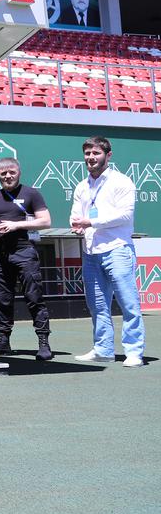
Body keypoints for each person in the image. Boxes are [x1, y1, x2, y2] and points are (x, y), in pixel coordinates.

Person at [69, 136, 146, 367]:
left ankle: (134, 352)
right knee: (98, 305)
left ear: (108, 155)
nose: (91, 158)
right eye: (87, 154)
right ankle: (103, 349)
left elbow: (125, 215)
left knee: (128, 303)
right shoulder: (82, 186)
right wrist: (76, 224)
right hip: (91, 252)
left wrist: (91, 223)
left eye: (96, 153)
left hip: (117, 250)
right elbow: (76, 213)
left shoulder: (122, 182)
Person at [0, 157, 53, 360]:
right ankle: (3, 342)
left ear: (18, 173)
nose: (7, 176)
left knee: (34, 297)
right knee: (3, 300)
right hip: (0, 254)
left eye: (11, 172)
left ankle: (43, 341)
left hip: (24, 253)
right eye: (3, 173)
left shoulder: (31, 193)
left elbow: (46, 221)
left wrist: (16, 225)